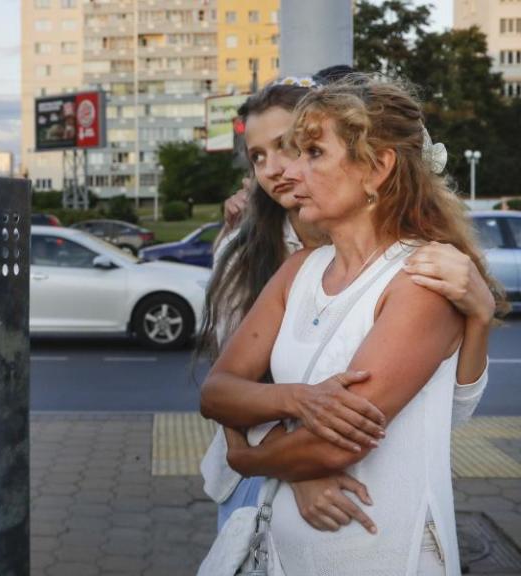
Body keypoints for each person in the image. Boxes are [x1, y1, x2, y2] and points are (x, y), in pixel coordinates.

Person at [199, 74, 505, 574]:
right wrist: (300, 399)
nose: (289, 174)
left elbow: (332, 445)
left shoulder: (420, 278)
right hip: (282, 555)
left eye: (313, 153)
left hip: (381, 554)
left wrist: (247, 459)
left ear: (377, 168)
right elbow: (216, 393)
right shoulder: (301, 269)